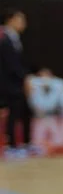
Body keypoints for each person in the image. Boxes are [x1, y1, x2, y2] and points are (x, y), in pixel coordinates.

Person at [0, 9, 36, 157]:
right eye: (20, 20)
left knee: (26, 112)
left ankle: (27, 143)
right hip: (10, 83)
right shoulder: (3, 37)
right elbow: (11, 65)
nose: (23, 23)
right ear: (11, 20)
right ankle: (11, 147)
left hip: (18, 82)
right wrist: (24, 79)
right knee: (13, 114)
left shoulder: (15, 38)